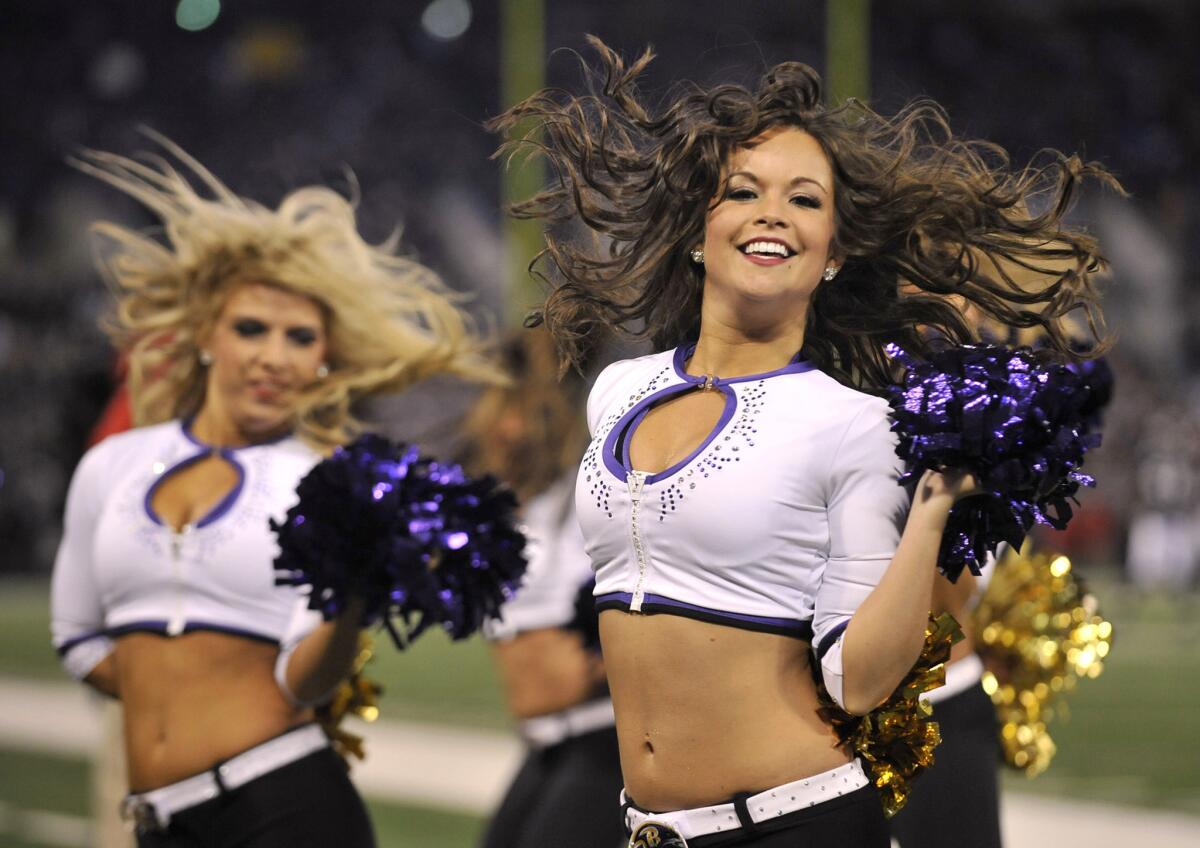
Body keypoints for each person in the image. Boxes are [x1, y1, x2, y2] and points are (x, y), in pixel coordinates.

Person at [490, 39, 1114, 847]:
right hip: (648, 830)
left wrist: (929, 515)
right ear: (696, 227)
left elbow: (856, 680)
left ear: (835, 253)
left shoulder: (852, 423)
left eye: (806, 199)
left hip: (796, 823)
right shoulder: (618, 392)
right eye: (742, 190)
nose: (772, 213)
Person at [50, 137, 493, 848]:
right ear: (206, 336)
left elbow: (304, 680)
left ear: (323, 359)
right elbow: (74, 635)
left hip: (283, 807)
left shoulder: (323, 481)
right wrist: (177, 699)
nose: (272, 356)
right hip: (159, 820)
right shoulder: (114, 465)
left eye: (299, 337)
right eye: (251, 328)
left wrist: (352, 596)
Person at [462, 332, 625, 848]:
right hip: (548, 742)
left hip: (602, 738)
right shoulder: (506, 514)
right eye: (502, 409)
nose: (510, 427)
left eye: (528, 412)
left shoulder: (586, 500)